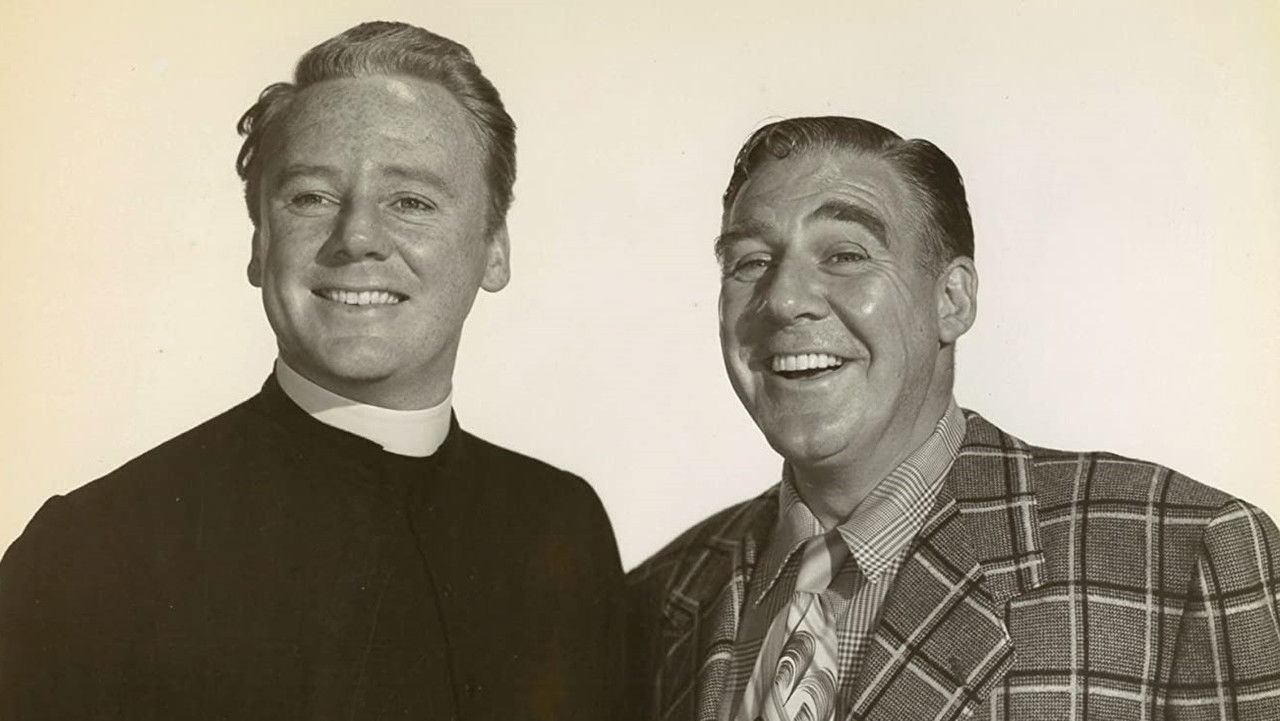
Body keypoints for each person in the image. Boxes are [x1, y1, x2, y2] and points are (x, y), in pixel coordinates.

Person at [0, 21, 622, 720]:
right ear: (260, 244)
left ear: (494, 250)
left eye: (411, 201)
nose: (357, 237)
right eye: (311, 198)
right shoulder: (93, 550)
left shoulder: (561, 528)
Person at [626, 116, 1280, 721]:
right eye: (750, 262)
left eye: (845, 254)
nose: (784, 299)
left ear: (952, 299)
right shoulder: (657, 594)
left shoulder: (1181, 556)